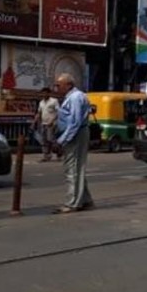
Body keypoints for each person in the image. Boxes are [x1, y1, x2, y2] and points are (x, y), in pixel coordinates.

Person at [52, 73, 94, 214]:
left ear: (68, 85)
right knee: (77, 168)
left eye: (59, 85)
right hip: (73, 134)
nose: (57, 87)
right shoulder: (71, 97)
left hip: (76, 135)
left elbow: (74, 123)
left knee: (73, 169)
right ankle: (85, 200)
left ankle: (73, 203)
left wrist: (62, 141)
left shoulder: (76, 97)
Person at [33, 87, 60, 162]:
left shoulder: (54, 101)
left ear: (49, 93)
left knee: (50, 139)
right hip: (43, 123)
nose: (44, 94)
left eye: (46, 93)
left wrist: (52, 120)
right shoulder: (41, 102)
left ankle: (59, 151)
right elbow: (39, 113)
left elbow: (58, 112)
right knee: (44, 140)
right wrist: (34, 122)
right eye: (43, 93)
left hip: (52, 123)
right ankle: (46, 156)